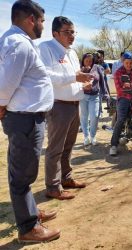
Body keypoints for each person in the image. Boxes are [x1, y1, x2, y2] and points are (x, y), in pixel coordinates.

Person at [0, 0, 60, 242]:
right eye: (42, 21)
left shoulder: (18, 42)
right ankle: (28, 228)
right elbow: (5, 85)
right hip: (24, 119)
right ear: (30, 20)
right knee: (22, 175)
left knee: (25, 171)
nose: (43, 26)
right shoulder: (18, 44)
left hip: (28, 118)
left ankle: (31, 212)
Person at [39, 16, 93, 200]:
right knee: (55, 148)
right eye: (67, 32)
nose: (71, 36)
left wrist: (82, 85)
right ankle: (53, 187)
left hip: (74, 104)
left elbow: (74, 77)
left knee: (68, 146)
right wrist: (74, 79)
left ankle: (66, 178)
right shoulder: (46, 48)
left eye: (73, 32)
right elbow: (46, 75)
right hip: (58, 106)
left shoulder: (72, 53)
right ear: (55, 33)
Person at [109, 51, 132, 156]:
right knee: (121, 119)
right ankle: (113, 145)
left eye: (130, 62)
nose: (129, 64)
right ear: (123, 62)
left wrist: (131, 85)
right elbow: (120, 88)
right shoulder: (118, 72)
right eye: (127, 62)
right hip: (124, 98)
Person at [79, 52, 109, 146]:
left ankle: (93, 136)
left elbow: (102, 81)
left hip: (95, 96)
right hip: (83, 96)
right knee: (84, 117)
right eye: (86, 60)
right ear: (83, 60)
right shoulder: (79, 69)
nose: (88, 62)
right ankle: (86, 137)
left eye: (90, 60)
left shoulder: (98, 68)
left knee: (95, 116)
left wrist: (106, 93)